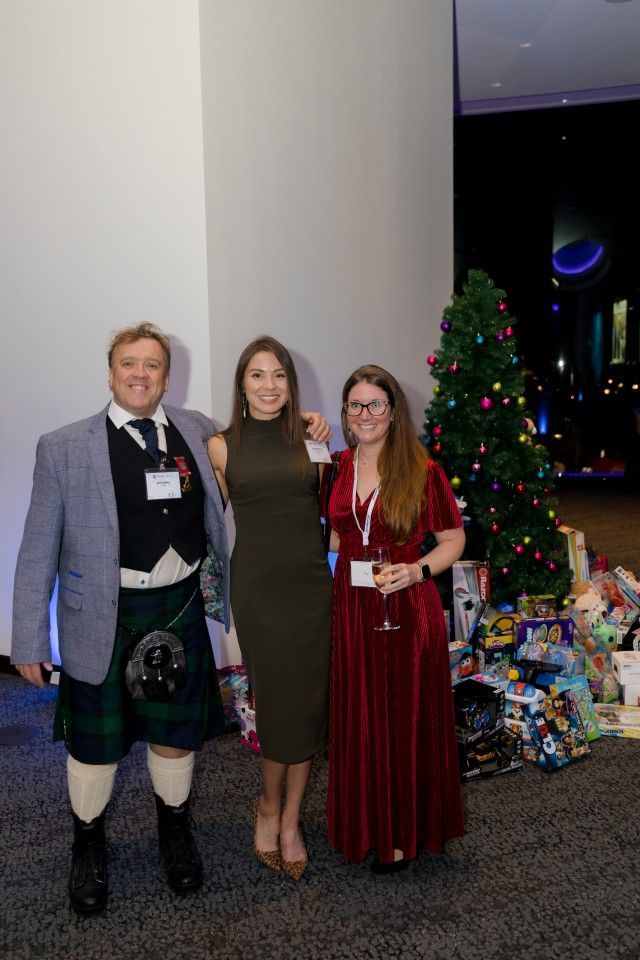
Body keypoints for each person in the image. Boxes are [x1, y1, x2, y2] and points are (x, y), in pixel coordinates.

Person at [11, 322, 328, 914]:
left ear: (166, 376)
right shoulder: (65, 446)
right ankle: (88, 847)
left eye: (152, 365)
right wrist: (28, 637)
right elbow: (36, 549)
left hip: (178, 605)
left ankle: (175, 833)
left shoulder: (198, 432)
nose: (140, 374)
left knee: (174, 735)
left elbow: (258, 437)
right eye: (129, 364)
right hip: (101, 614)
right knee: (95, 745)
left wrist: (309, 424)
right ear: (110, 374)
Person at [325, 363, 465, 873]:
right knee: (360, 715)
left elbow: (453, 540)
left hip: (406, 604)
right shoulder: (336, 467)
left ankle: (403, 833)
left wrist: (417, 570)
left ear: (393, 411)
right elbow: (336, 535)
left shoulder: (423, 470)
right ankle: (365, 825)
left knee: (403, 717)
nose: (366, 414)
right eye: (356, 405)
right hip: (352, 607)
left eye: (376, 405)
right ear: (346, 412)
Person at [207, 335, 332, 881]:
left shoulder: (312, 439)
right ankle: (266, 805)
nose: (268, 385)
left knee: (307, 705)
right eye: (257, 375)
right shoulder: (220, 446)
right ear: (241, 383)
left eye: (278, 374)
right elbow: (207, 523)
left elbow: (330, 516)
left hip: (311, 589)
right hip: (259, 592)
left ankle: (291, 819)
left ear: (290, 383)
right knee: (277, 703)